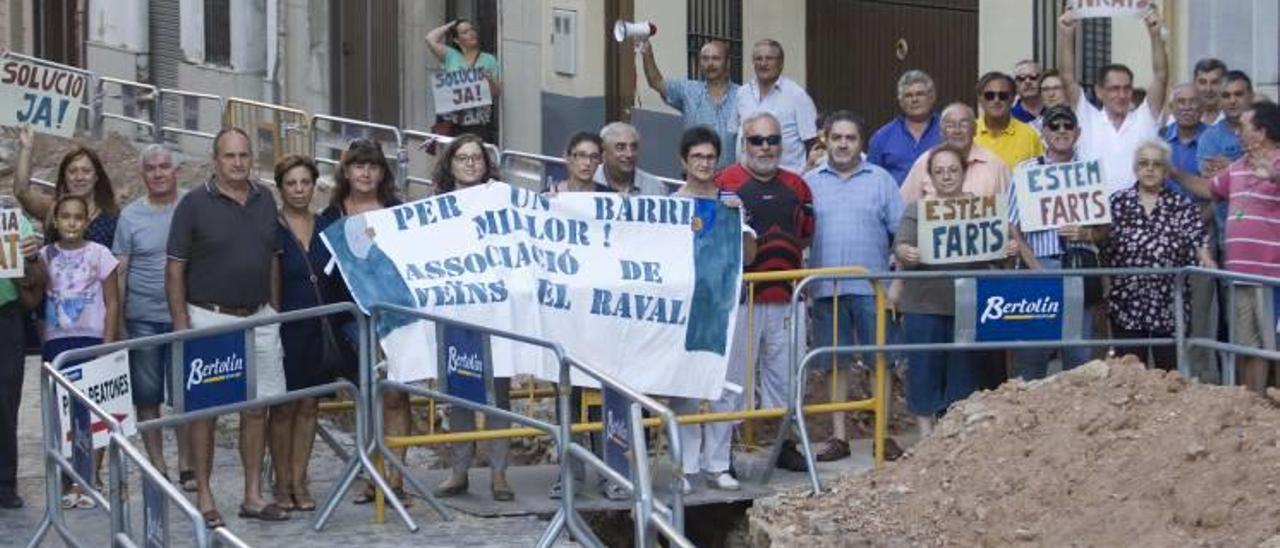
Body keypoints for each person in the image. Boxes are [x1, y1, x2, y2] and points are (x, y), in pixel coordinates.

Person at [166, 127, 288, 528]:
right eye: (230, 156)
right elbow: (175, 267)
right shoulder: (193, 205)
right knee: (207, 413)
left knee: (258, 411)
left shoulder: (264, 198)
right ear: (215, 160)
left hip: (258, 317)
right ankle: (204, 495)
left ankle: (252, 494)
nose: (238, 163)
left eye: (244, 155)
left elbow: (272, 256)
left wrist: (273, 309)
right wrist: (183, 325)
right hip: (209, 318)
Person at [715, 112, 814, 470]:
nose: (766, 147)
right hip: (739, 303)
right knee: (733, 379)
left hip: (787, 298)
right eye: (757, 140)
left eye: (772, 140)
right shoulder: (725, 182)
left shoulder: (798, 186)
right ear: (744, 144)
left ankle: (784, 443)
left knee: (786, 376)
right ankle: (720, 453)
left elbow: (805, 234)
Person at [894, 145, 1017, 434]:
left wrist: (1008, 249)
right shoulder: (917, 209)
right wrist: (906, 251)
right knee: (923, 369)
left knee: (963, 373)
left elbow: (999, 253)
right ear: (930, 177)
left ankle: (952, 434)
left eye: (953, 170)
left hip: (967, 305)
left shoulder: (981, 208)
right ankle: (926, 435)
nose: (946, 176)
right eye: (939, 171)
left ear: (964, 172)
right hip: (923, 305)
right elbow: (900, 244)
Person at [803, 111, 903, 461]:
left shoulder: (882, 180)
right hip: (826, 288)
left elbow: (901, 236)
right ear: (825, 141)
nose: (843, 144)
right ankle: (839, 437)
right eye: (837, 138)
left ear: (861, 143)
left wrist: (896, 285)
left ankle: (882, 434)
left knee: (882, 362)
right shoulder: (810, 182)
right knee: (834, 364)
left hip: (873, 287)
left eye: (851, 138)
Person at [318, 140, 413, 506]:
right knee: (367, 398)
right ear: (346, 171)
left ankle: (397, 478)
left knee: (395, 395)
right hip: (350, 319)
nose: (365, 172)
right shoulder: (331, 216)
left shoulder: (396, 211)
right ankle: (373, 475)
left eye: (372, 165)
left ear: (382, 172)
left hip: (395, 316)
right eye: (358, 165)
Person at [425, 134, 515, 502]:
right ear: (450, 164)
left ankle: (499, 473)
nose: (470, 164)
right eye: (462, 158)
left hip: (496, 311)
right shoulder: (434, 206)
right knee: (458, 392)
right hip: (455, 311)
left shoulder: (501, 201)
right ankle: (459, 471)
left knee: (499, 396)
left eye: (476, 157)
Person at [668, 126, 757, 493]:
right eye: (697, 157)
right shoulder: (671, 204)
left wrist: (742, 227)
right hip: (688, 309)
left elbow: (749, 256)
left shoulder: (731, 202)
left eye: (709, 157)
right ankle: (685, 467)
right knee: (686, 388)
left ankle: (718, 464)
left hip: (726, 306)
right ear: (683, 161)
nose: (704, 163)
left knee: (726, 388)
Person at [1177, 102, 1280, 393]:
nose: (1238, 133)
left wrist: (1272, 176)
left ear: (1261, 132)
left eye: (1244, 127)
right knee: (1249, 348)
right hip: (1239, 276)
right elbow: (1207, 188)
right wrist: (1172, 172)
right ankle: (1254, 407)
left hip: (1271, 278)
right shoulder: (1237, 168)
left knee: (1275, 348)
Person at [112, 145, 193, 484]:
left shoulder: (193, 206)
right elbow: (120, 272)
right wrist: (117, 324)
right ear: (142, 174)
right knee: (147, 395)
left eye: (164, 167)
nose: (159, 173)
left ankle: (188, 464)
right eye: (151, 168)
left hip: (187, 315)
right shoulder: (130, 216)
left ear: (177, 171)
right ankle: (157, 464)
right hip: (142, 316)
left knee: (187, 396)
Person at [1007, 105, 1105, 380]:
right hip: (1040, 265)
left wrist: (1085, 234)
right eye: (1054, 126)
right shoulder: (1026, 172)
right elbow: (1013, 226)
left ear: (1077, 132)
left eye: (1067, 126)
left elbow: (1104, 229)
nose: (1061, 131)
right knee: (1033, 354)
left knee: (1078, 354)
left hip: (1078, 266)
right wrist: (1034, 267)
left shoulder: (1090, 172)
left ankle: (1074, 419)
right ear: (1044, 132)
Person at [37, 195, 120, 509]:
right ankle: (69, 477)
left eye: (78, 217)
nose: (71, 222)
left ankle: (90, 478)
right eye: (65, 217)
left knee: (91, 414)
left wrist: (107, 343)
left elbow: (112, 301)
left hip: (91, 339)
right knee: (63, 415)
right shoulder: (44, 256)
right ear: (55, 221)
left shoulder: (100, 254)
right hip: (57, 343)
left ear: (86, 221)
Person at [1104, 140, 1213, 372]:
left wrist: (1207, 259)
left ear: (1166, 171)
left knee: (1168, 375)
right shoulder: (1117, 202)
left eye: (1157, 164)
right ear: (1135, 169)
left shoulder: (1182, 205)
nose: (1150, 169)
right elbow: (1102, 239)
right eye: (1144, 164)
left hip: (1169, 303)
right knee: (1129, 374)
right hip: (1128, 302)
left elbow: (1198, 239)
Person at [269, 155, 337, 512]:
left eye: (305, 182)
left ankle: (299, 478)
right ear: (280, 188)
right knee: (282, 410)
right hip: (285, 326)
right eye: (291, 183)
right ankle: (281, 482)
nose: (298, 189)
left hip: (319, 326)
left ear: (314, 185)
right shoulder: (273, 228)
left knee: (309, 406)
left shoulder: (326, 226)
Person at [1057, 5, 1169, 195]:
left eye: (1126, 88)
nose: (1122, 95)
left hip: (1138, 216)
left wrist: (1155, 35)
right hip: (1096, 216)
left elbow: (1161, 76)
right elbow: (1067, 77)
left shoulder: (1144, 118)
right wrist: (1067, 35)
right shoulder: (1086, 117)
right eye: (1114, 89)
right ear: (1099, 91)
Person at [0, 203, 45, 510]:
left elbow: (32, 282)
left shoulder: (8, 219)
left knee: (5, 401)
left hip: (5, 318)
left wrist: (30, 258)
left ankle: (4, 481)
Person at [639, 38, 740, 169]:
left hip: (731, 176)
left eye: (716, 58)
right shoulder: (688, 91)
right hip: (695, 174)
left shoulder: (742, 95)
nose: (710, 63)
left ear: (728, 63)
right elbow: (656, 82)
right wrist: (648, 54)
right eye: (705, 58)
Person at [13, 126, 119, 247]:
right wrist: (26, 148)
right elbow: (21, 192)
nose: (79, 177)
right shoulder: (52, 208)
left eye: (86, 171)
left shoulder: (112, 216)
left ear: (96, 176)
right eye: (72, 171)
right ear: (64, 177)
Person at [735, 39, 818, 174]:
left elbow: (812, 142)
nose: (763, 63)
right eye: (758, 58)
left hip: (787, 181)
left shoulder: (797, 96)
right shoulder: (742, 93)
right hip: (747, 180)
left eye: (769, 58)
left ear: (780, 63)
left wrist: (807, 175)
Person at [900, 103, 1011, 203]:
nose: (957, 130)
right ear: (941, 132)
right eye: (950, 125)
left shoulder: (996, 166)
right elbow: (902, 207)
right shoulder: (924, 162)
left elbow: (1010, 212)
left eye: (963, 124)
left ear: (975, 129)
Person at [425, 19, 502, 143]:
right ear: (457, 40)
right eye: (465, 32)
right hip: (451, 122)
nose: (471, 33)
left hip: (477, 123)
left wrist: (490, 80)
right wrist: (452, 24)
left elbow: (497, 92)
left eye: (472, 29)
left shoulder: (489, 60)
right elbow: (430, 38)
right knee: (450, 157)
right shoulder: (450, 55)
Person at [868, 70, 943, 185]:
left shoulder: (948, 130)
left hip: (938, 201)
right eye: (908, 96)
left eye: (920, 94)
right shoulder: (882, 137)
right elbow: (872, 181)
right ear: (901, 101)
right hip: (896, 201)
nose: (914, 100)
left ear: (932, 97)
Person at [974, 71, 1044, 168]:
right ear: (980, 99)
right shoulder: (968, 133)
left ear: (1012, 99)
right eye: (989, 96)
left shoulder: (1029, 135)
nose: (996, 100)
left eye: (1003, 96)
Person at [593, 122, 666, 196]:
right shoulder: (590, 180)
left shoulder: (654, 187)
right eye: (621, 147)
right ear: (604, 151)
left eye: (634, 147)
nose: (629, 154)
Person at [1192, 58, 1228, 126]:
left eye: (1215, 82)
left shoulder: (1235, 119)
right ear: (1194, 84)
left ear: (1225, 84)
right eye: (1203, 82)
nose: (1208, 89)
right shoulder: (1179, 119)